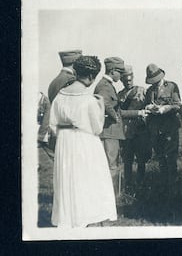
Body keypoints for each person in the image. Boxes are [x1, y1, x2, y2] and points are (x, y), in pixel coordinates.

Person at [49, 55, 117, 228]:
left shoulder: (60, 96)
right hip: (85, 143)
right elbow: (97, 128)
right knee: (88, 180)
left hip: (64, 142)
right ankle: (87, 217)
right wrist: (101, 107)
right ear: (91, 76)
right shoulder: (88, 99)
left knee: (69, 180)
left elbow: (52, 125)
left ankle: (71, 219)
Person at [144, 64, 181, 200]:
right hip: (155, 128)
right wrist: (149, 107)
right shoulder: (150, 91)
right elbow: (146, 105)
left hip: (169, 126)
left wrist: (166, 108)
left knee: (171, 157)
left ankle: (173, 187)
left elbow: (178, 105)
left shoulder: (172, 86)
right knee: (160, 157)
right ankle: (164, 184)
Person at [94, 57, 126, 195]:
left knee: (109, 163)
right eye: (120, 72)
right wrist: (116, 116)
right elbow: (105, 103)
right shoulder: (104, 86)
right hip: (109, 131)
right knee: (111, 165)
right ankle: (110, 196)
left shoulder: (106, 84)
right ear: (112, 71)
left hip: (108, 131)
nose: (121, 75)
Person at [118, 65, 152, 193]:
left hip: (141, 131)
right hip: (127, 132)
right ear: (121, 80)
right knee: (127, 160)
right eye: (125, 80)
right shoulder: (120, 95)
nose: (128, 82)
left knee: (141, 159)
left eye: (130, 79)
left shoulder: (141, 90)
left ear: (132, 77)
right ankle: (128, 184)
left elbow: (149, 106)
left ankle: (141, 183)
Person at [48, 49, 82, 151]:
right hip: (70, 133)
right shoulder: (71, 80)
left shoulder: (54, 81)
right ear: (75, 63)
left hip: (58, 131)